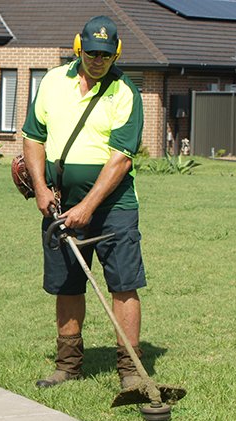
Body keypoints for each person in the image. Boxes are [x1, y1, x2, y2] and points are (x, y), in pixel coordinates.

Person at [21, 16, 146, 389]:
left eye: (106, 55)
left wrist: (89, 207)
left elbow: (120, 159)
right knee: (67, 284)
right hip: (60, 202)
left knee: (123, 284)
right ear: (79, 47)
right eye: (91, 52)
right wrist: (42, 190)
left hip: (114, 206)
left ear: (116, 53)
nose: (98, 59)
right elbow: (33, 138)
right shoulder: (53, 82)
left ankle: (131, 373)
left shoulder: (125, 92)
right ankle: (68, 365)